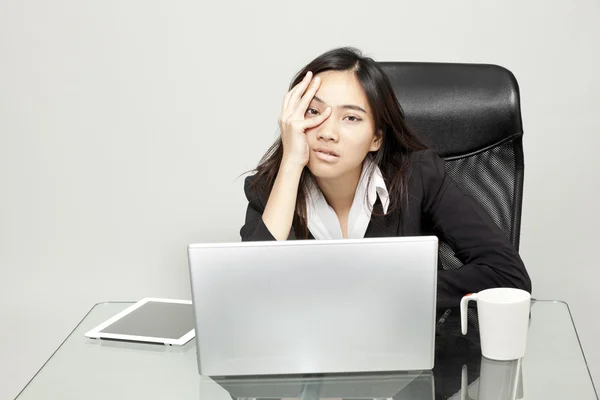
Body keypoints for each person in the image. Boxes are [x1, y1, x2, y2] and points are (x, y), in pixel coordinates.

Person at [240, 47, 531, 309]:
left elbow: (507, 274)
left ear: (376, 137)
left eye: (351, 118)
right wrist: (290, 164)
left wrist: (384, 290)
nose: (327, 132)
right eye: (314, 112)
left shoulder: (419, 176)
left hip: (407, 356)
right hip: (308, 359)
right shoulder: (270, 190)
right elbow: (247, 293)